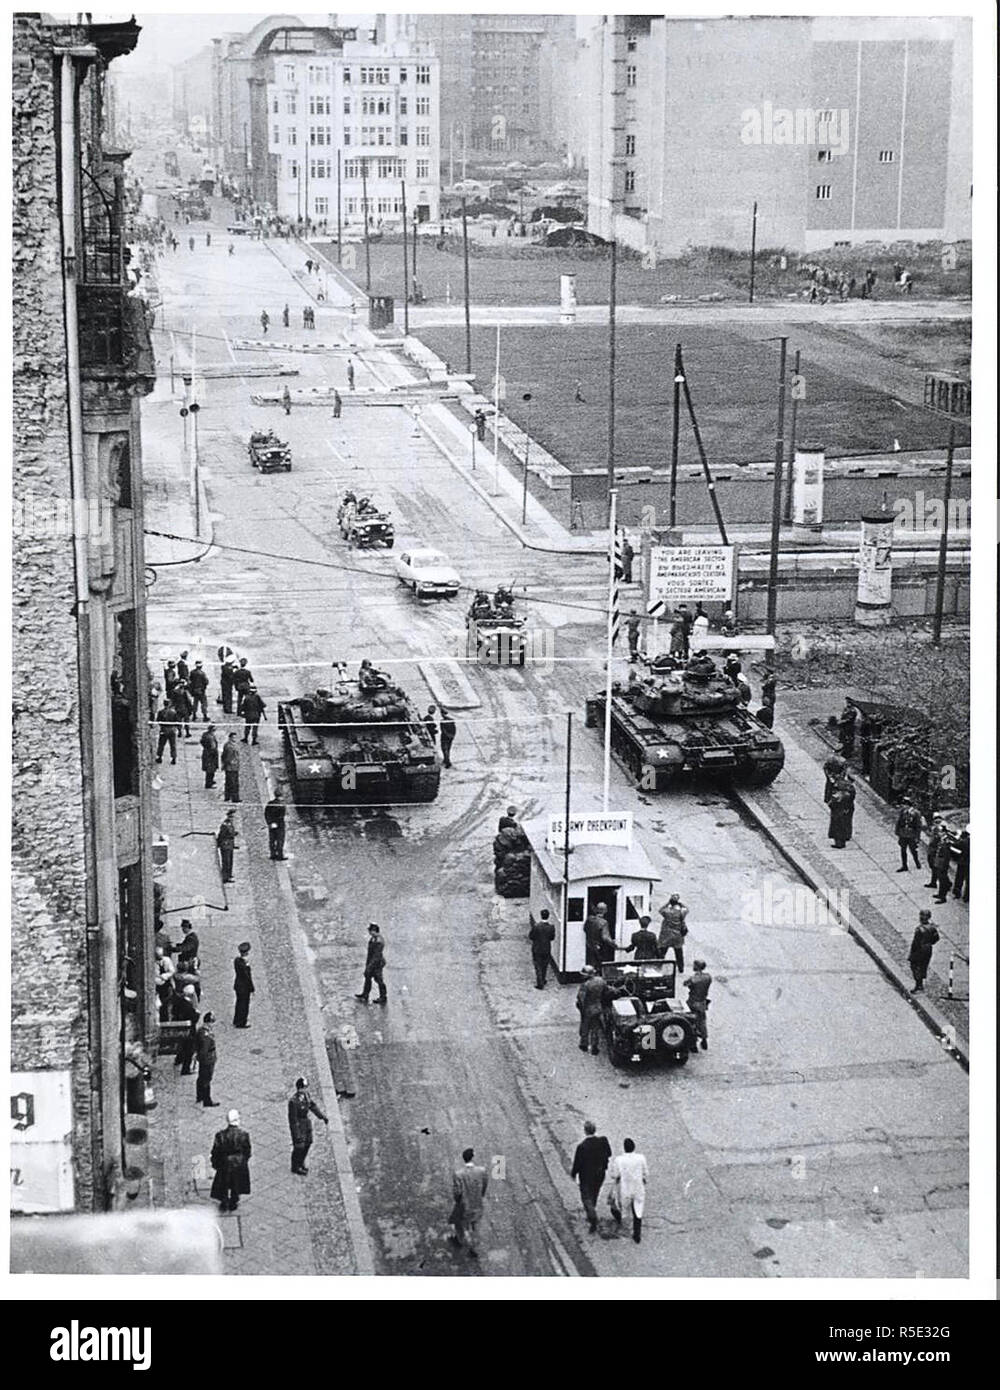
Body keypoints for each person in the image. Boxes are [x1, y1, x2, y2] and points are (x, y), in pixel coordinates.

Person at [570, 1120, 613, 1234]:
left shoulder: (582, 1146)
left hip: (586, 1176)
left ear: (585, 1131)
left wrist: (573, 1174)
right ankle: (592, 1210)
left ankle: (592, 1215)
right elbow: (609, 1153)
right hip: (600, 1173)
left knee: (585, 1196)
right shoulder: (603, 1141)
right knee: (595, 1192)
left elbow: (577, 1163)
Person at [449, 1147, 489, 1259]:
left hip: (465, 1206)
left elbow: (457, 1192)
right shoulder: (482, 1171)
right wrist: (480, 1196)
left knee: (460, 1224)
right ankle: (474, 1247)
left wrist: (458, 1202)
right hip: (477, 1204)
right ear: (473, 1157)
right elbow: (484, 1185)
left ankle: (462, 1241)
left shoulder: (458, 1174)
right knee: (475, 1225)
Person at [210, 1110, 252, 1213]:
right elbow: (247, 1150)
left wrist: (216, 1163)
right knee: (236, 1183)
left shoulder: (220, 1135)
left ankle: (224, 1202)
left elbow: (216, 1151)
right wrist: (244, 1160)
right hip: (239, 1162)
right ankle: (234, 1201)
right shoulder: (244, 1135)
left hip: (225, 1163)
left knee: (223, 1183)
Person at [609, 1138, 648, 1244]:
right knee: (638, 1210)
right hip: (638, 1188)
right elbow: (645, 1173)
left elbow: (614, 1175)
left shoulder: (619, 1160)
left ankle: (623, 1225)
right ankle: (637, 1234)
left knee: (624, 1209)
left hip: (625, 1189)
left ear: (624, 1148)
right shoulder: (641, 1158)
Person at [288, 1077, 328, 1175]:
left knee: (307, 1144)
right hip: (299, 1126)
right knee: (299, 1147)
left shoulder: (306, 1096)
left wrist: (322, 1116)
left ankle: (301, 1162)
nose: (306, 1089)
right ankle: (295, 1166)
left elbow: (312, 1106)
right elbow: (293, 1120)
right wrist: (296, 1134)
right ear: (300, 1088)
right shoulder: (294, 1102)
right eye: (305, 1087)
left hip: (306, 1124)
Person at [576, 965, 609, 1055]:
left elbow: (581, 998)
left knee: (585, 1027)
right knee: (595, 1027)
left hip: (587, 1009)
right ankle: (594, 1047)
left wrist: (580, 1007)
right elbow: (606, 992)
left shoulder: (585, 985)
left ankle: (584, 1044)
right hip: (598, 1008)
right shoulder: (600, 981)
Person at [683, 959, 712, 1051]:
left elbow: (685, 983)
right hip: (702, 1002)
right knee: (702, 1022)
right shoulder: (708, 977)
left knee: (692, 1022)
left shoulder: (694, 978)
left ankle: (693, 1044)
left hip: (693, 1002)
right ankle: (704, 1039)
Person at [355, 923, 387, 1004]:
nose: (369, 933)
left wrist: (369, 966)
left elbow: (376, 956)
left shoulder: (379, 941)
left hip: (377, 964)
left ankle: (383, 997)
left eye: (370, 931)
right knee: (367, 978)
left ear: (374, 931)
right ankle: (365, 994)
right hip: (372, 962)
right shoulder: (373, 939)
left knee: (379, 980)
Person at [908, 910, 939, 993]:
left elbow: (915, 943)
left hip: (919, 950)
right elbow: (936, 939)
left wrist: (912, 954)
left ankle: (919, 985)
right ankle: (920, 983)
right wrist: (929, 943)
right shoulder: (932, 928)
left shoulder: (919, 930)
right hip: (928, 949)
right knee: (923, 966)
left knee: (915, 966)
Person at [172, 984, 199, 1075]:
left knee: (181, 1045)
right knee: (189, 1050)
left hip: (179, 1027)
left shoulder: (179, 1002)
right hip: (188, 1030)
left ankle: (178, 1059)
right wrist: (197, 1014)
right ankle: (186, 1069)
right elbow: (194, 1018)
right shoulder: (188, 1006)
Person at [657, 894, 688, 971]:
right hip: (677, 935)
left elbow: (660, 910)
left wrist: (668, 903)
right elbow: (687, 909)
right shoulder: (681, 912)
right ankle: (681, 968)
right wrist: (680, 903)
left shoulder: (667, 912)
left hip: (666, 935)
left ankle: (659, 966)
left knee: (662, 952)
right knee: (679, 953)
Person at [195, 1012, 219, 1106]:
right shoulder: (206, 1034)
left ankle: (200, 1096)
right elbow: (204, 1049)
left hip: (205, 1058)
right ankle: (207, 1100)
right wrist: (201, 1058)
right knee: (206, 1079)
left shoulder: (201, 1030)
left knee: (201, 1077)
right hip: (208, 1059)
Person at [528, 908, 556, 989]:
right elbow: (552, 938)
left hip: (537, 948)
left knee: (538, 966)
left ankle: (540, 983)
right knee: (545, 965)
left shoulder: (536, 926)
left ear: (541, 916)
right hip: (546, 949)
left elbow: (531, 936)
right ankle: (543, 979)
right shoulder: (551, 927)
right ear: (548, 916)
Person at [894, 798, 924, 872]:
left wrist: (917, 837)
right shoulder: (903, 812)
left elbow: (918, 826)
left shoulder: (916, 813)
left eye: (905, 805)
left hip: (912, 834)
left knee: (913, 850)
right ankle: (904, 865)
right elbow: (899, 821)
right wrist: (897, 831)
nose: (903, 806)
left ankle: (917, 862)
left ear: (908, 805)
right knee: (903, 850)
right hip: (903, 834)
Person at [583, 903, 614, 968]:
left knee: (590, 965)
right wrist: (614, 944)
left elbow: (585, 929)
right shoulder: (603, 922)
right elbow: (605, 937)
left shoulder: (589, 919)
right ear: (605, 911)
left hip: (589, 946)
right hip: (599, 948)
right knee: (600, 966)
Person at [827, 775, 855, 849]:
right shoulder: (849, 792)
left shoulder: (839, 796)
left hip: (838, 813)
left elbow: (831, 804)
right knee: (844, 826)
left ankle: (839, 843)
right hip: (844, 811)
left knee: (838, 828)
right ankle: (843, 840)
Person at [233, 942, 254, 1027]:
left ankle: (237, 1020)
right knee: (244, 1005)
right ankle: (241, 1022)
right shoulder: (244, 965)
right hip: (244, 988)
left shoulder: (237, 960)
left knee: (239, 1004)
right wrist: (252, 988)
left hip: (238, 985)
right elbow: (247, 977)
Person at [930, 829, 953, 903]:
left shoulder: (947, 842)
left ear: (944, 832)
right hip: (939, 861)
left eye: (940, 831)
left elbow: (946, 856)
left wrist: (943, 866)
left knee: (942, 880)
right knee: (940, 878)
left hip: (942, 864)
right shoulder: (941, 839)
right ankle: (940, 894)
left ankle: (943, 897)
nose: (938, 833)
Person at [154, 946, 175, 1023]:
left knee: (167, 1003)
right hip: (157, 986)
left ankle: (166, 1020)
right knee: (158, 1004)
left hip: (166, 984)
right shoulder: (153, 963)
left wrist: (164, 976)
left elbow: (172, 971)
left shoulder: (167, 960)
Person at [217, 810, 238, 883]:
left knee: (230, 861)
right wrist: (219, 843)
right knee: (226, 861)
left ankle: (229, 875)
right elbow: (222, 835)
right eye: (232, 817)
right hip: (226, 845)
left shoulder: (230, 824)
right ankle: (225, 877)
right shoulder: (225, 825)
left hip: (230, 845)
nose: (233, 818)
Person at [221, 732, 241, 803]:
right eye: (233, 737)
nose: (234, 739)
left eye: (235, 737)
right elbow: (228, 758)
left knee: (229, 782)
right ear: (230, 738)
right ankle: (235, 798)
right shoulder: (230, 747)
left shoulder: (228, 745)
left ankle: (227, 796)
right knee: (234, 783)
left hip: (232, 767)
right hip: (232, 767)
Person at [952, 825, 970, 903]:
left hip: (962, 862)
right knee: (969, 881)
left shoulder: (964, 842)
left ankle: (957, 893)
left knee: (959, 878)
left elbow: (955, 848)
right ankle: (966, 897)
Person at [199, 724, 219, 789]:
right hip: (210, 755)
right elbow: (213, 746)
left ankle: (210, 781)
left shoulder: (207, 735)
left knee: (211, 769)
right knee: (210, 770)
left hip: (209, 754)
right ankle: (208, 783)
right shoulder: (209, 737)